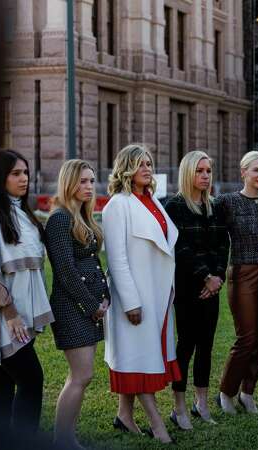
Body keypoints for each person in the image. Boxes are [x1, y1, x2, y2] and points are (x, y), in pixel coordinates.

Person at [102, 144, 180, 444]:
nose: (146, 168)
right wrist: (131, 302)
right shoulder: (117, 205)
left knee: (139, 357)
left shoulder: (153, 200)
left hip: (159, 292)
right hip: (134, 295)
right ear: (126, 169)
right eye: (139, 164)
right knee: (140, 360)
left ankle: (124, 415)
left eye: (148, 163)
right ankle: (158, 425)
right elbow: (117, 259)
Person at [0, 150, 54, 433]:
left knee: (3, 378)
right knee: (31, 379)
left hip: (23, 312)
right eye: (16, 173)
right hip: (1, 313)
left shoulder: (23, 213)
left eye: (25, 172)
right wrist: (10, 313)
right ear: (0, 177)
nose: (23, 178)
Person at [45, 160, 110, 448]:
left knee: (83, 376)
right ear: (69, 182)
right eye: (82, 181)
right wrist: (91, 304)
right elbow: (66, 271)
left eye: (92, 180)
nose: (89, 186)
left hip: (89, 307)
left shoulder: (83, 217)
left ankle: (67, 436)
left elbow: (94, 263)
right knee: (80, 376)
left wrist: (104, 295)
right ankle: (62, 439)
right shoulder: (60, 219)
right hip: (73, 308)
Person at [164, 151, 229, 429]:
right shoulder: (175, 206)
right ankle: (178, 407)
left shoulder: (215, 206)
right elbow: (181, 248)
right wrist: (204, 277)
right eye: (199, 171)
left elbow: (222, 245)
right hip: (189, 285)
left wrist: (217, 278)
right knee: (186, 344)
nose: (205, 176)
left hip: (212, 287)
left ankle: (200, 402)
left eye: (208, 171)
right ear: (188, 173)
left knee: (207, 344)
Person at [216, 151, 258, 415]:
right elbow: (215, 236)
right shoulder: (227, 202)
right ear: (243, 172)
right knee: (247, 337)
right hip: (243, 272)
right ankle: (226, 392)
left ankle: (248, 392)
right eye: (256, 170)